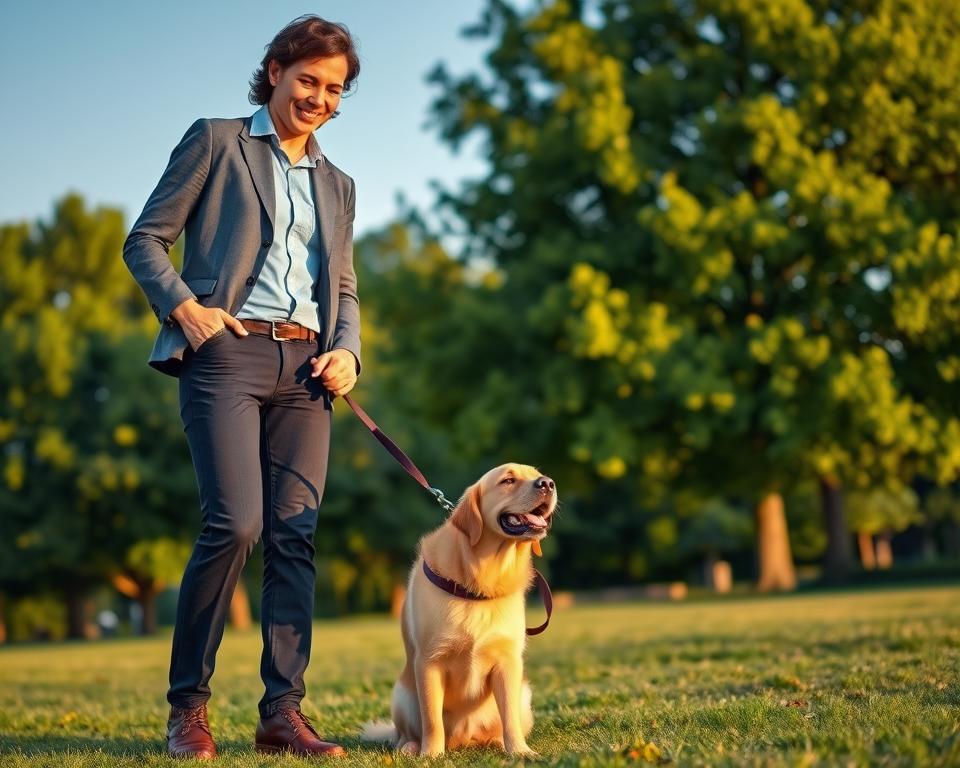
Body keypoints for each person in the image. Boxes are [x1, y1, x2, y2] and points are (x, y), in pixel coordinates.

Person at [122, 15, 361, 759]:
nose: (319, 99)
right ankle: (187, 708)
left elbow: (343, 285)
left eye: (335, 89)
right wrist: (186, 309)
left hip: (307, 370)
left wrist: (348, 350)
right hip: (226, 353)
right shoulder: (219, 140)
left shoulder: (339, 184)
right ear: (276, 72)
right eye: (309, 81)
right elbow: (145, 240)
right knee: (236, 524)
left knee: (296, 536)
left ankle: (281, 713)